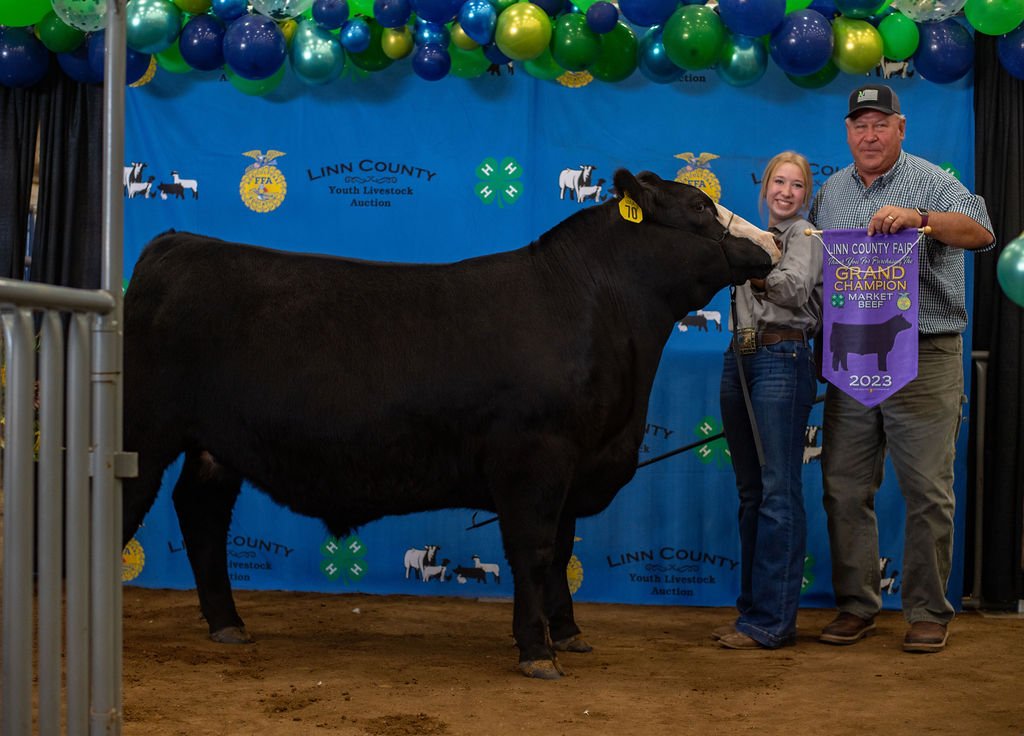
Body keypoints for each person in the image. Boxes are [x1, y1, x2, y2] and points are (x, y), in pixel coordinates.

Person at [810, 84, 994, 653]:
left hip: (927, 351)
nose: (869, 135)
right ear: (847, 132)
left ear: (901, 128)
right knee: (843, 486)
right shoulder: (831, 191)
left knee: (926, 489)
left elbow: (982, 234)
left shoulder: (931, 180)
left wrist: (921, 219)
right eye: (859, 125)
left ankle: (927, 611)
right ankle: (857, 605)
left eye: (879, 124)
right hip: (853, 352)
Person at [715, 151, 823, 650]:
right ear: (765, 189)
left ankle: (773, 622)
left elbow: (795, 289)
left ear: (806, 194)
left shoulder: (805, 236)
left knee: (778, 489)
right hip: (740, 358)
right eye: (778, 182)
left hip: (783, 356)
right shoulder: (746, 238)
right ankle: (751, 613)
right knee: (751, 493)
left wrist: (752, 267)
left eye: (797, 185)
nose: (786, 192)